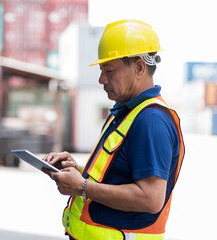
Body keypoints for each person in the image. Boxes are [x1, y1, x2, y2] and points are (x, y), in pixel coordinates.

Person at [43, 19, 185, 240]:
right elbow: (118, 177)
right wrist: (78, 171)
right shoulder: (126, 113)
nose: (101, 79)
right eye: (101, 70)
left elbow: (150, 198)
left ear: (139, 67)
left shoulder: (151, 120)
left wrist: (81, 187)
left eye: (109, 70)